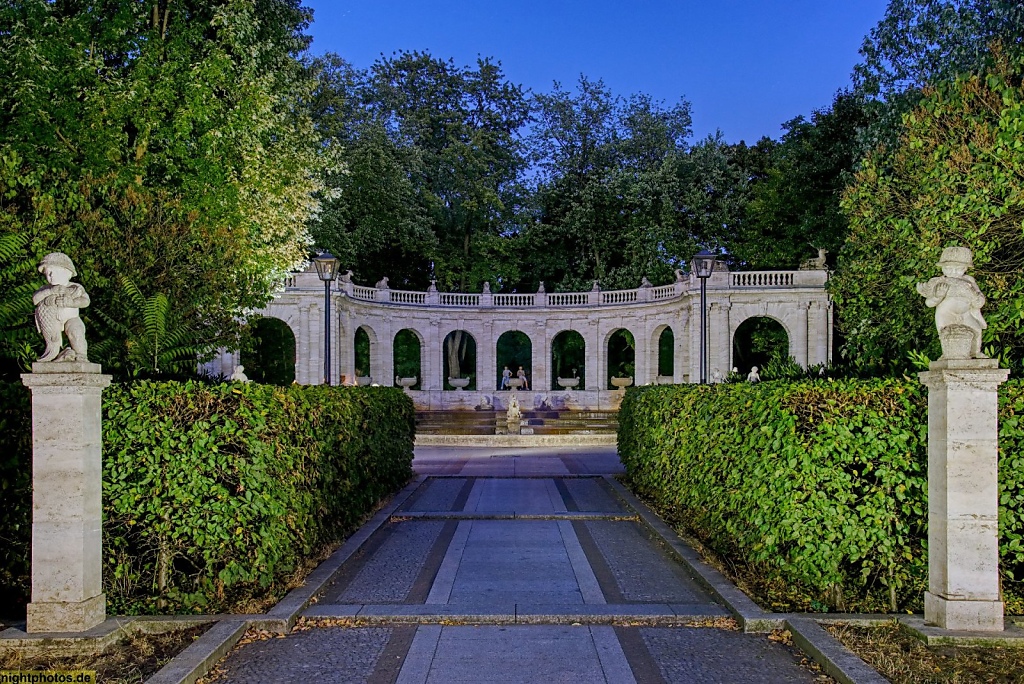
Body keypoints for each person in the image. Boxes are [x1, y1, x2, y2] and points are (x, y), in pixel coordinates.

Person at [33, 252, 90, 362]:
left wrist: (71, 303)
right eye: (47, 273)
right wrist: (50, 291)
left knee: (76, 332)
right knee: (52, 339)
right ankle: (55, 354)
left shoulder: (74, 287)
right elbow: (35, 299)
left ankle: (81, 355)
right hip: (52, 322)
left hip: (71, 318)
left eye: (53, 272)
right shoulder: (46, 288)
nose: (50, 276)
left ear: (67, 272)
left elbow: (86, 301)